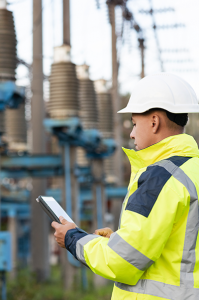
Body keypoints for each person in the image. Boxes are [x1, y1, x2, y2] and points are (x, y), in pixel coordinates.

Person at [51, 73, 199, 300]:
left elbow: (122, 261)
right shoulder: (192, 170)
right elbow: (179, 244)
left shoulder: (160, 178)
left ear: (154, 121)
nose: (131, 133)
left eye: (134, 123)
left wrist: (72, 238)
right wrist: (120, 239)